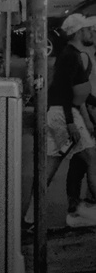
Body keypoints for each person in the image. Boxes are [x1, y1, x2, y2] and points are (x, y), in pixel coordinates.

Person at [48, 13, 96, 228]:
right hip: (65, 114)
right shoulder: (70, 56)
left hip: (64, 113)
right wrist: (70, 122)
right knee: (91, 159)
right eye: (87, 29)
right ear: (78, 32)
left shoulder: (73, 54)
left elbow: (80, 93)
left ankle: (31, 217)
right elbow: (64, 91)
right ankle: (77, 208)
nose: (90, 32)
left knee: (49, 169)